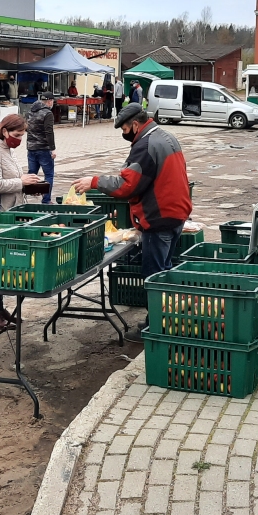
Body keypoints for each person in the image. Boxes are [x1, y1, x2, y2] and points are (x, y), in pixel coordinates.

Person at [71, 103, 192, 341]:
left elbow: (129, 185)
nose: (124, 133)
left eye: (125, 128)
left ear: (135, 125)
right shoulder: (166, 136)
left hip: (160, 217)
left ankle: (156, 327)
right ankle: (168, 320)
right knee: (164, 271)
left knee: (154, 276)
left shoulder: (145, 145)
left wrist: (94, 181)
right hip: (176, 213)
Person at [0, 114, 41, 329]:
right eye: (16, 135)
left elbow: (14, 181)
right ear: (4, 131)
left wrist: (28, 185)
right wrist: (21, 181)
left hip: (12, 213)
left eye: (22, 136)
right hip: (0, 214)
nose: (19, 140)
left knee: (3, 265)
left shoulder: (8, 150)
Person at [27, 92, 57, 204]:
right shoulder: (48, 113)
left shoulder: (31, 111)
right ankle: (46, 200)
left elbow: (28, 128)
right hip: (44, 148)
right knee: (48, 174)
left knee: (31, 174)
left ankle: (26, 196)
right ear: (49, 101)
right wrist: (53, 148)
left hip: (31, 148)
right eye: (53, 101)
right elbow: (49, 132)